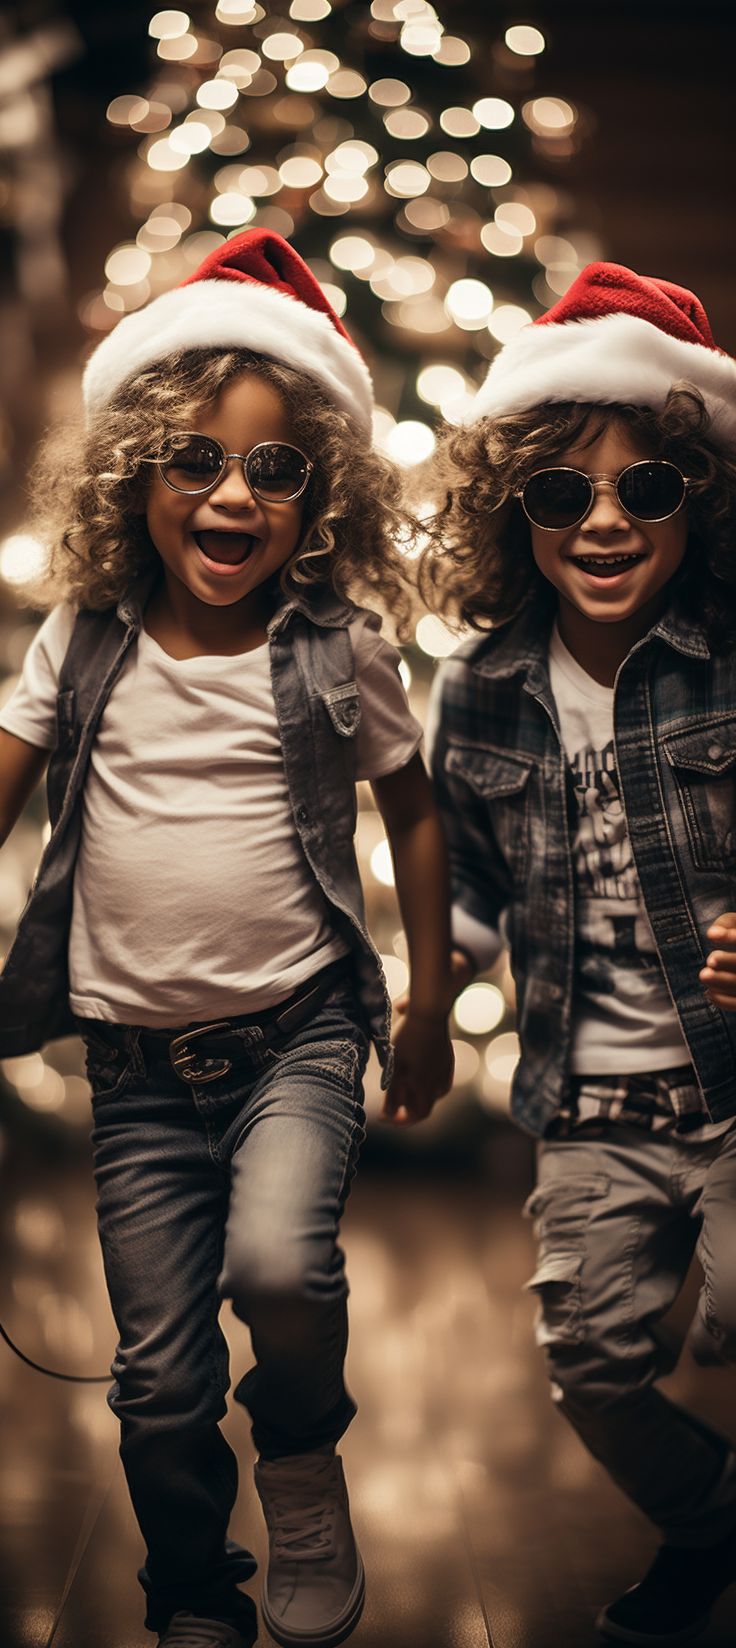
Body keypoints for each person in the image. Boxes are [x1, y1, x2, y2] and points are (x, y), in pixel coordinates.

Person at [0, 229, 455, 1648]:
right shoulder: (79, 642)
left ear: (317, 494)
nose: (233, 493)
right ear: (135, 474)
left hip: (299, 1035)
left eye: (274, 467)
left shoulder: (337, 646)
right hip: (135, 1073)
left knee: (279, 1265)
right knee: (158, 1380)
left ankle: (304, 1452)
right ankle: (194, 1592)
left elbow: (416, 810)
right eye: (196, 460)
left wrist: (430, 997)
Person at [425, 262, 736, 1647]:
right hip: (585, 1106)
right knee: (590, 1366)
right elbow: (470, 884)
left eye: (645, 491)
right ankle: (713, 1525)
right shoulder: (481, 685)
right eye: (564, 495)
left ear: (699, 501)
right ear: (520, 515)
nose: (604, 520)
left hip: (733, 1088)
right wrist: (418, 997)